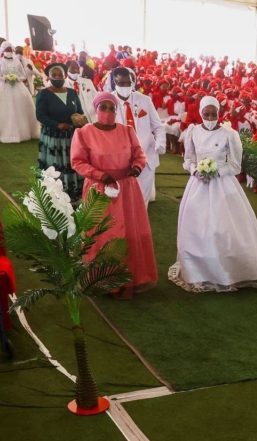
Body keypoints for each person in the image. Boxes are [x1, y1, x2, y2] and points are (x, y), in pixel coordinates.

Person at [168, 97, 257, 292]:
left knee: (224, 225)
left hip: (223, 184)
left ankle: (231, 270)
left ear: (219, 114)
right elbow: (189, 159)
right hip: (198, 184)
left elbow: (235, 164)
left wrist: (216, 171)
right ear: (200, 113)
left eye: (213, 114)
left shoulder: (229, 134)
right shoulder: (192, 132)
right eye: (206, 114)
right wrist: (196, 171)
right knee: (196, 225)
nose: (210, 118)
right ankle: (199, 270)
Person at [70, 92, 157, 298]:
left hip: (127, 188)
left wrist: (137, 167)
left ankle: (129, 277)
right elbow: (78, 162)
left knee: (129, 231)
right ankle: (103, 280)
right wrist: (100, 175)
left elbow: (139, 154)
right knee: (104, 233)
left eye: (112, 108)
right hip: (100, 189)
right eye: (104, 108)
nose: (108, 112)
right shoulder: (84, 133)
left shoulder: (127, 131)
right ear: (96, 109)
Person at [112, 67, 165, 205]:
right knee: (123, 201)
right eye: (121, 83)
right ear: (114, 82)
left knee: (142, 201)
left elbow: (158, 126)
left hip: (146, 157)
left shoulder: (144, 100)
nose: (125, 87)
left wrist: (160, 143)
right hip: (120, 160)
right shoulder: (109, 102)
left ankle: (140, 225)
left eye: (128, 83)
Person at [35, 62, 86, 202]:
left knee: (71, 163)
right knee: (55, 165)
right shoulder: (43, 94)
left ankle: (71, 194)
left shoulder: (72, 93)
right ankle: (54, 195)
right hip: (53, 137)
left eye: (60, 75)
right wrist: (57, 125)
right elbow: (40, 116)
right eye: (54, 75)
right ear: (49, 77)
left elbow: (79, 112)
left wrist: (79, 121)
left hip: (71, 136)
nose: (57, 77)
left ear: (65, 76)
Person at [0, 43, 40, 143]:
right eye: (7, 50)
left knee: (21, 107)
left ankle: (24, 131)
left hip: (17, 86)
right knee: (4, 108)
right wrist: (5, 78)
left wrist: (16, 78)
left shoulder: (17, 61)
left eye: (10, 50)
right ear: (3, 51)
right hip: (3, 86)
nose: (9, 52)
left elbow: (23, 75)